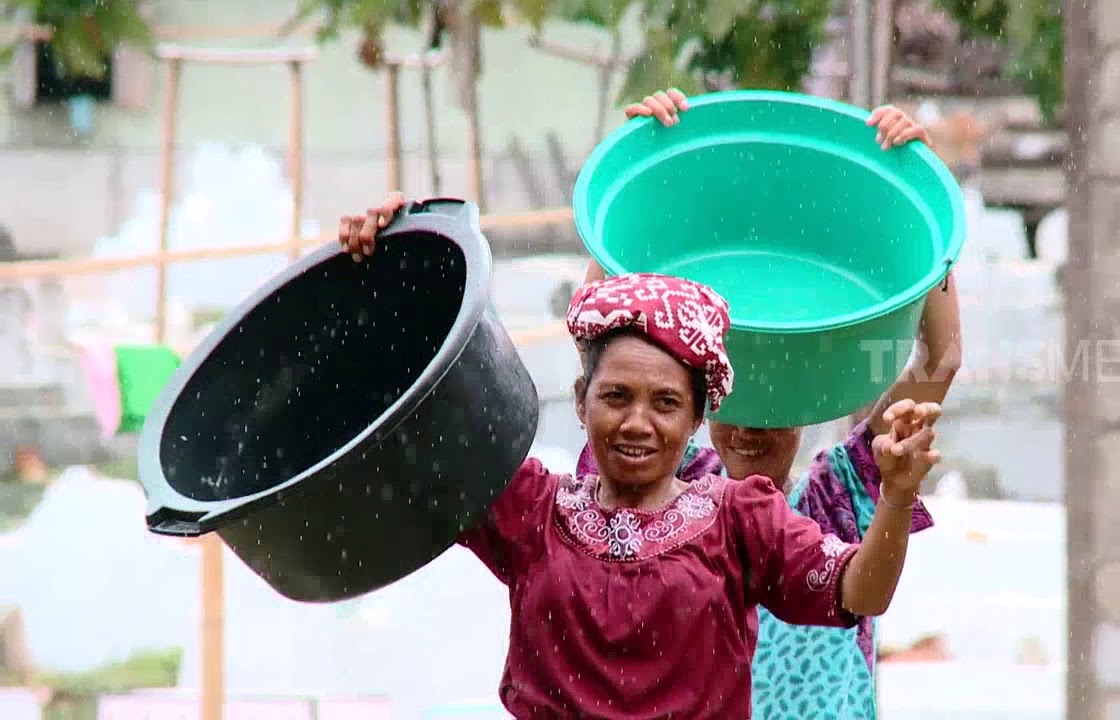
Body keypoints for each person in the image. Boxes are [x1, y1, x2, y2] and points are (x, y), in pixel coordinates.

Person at [339, 210, 945, 717]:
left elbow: (861, 592)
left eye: (666, 403)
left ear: (695, 419)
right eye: (615, 397)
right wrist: (388, 259)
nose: (637, 422)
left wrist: (894, 497)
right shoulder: (527, 508)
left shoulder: (739, 518)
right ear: (581, 403)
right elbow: (414, 419)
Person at [570, 89, 963, 720]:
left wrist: (925, 222)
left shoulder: (842, 497)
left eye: (773, 411)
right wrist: (633, 212)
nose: (752, 428)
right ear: (699, 410)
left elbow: (939, 361)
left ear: (805, 407)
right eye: (737, 406)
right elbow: (601, 345)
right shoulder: (670, 489)